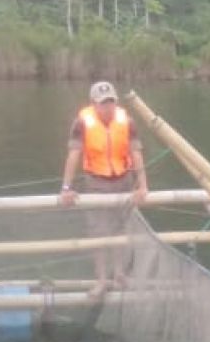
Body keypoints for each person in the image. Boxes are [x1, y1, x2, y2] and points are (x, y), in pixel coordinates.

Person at [59, 81, 149, 297]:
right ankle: (101, 279)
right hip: (96, 181)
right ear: (93, 104)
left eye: (110, 102)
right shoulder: (82, 122)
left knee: (120, 228)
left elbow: (136, 152)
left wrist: (143, 185)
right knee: (99, 231)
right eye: (102, 104)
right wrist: (66, 187)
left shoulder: (126, 121)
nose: (107, 108)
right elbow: (73, 154)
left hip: (123, 179)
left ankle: (119, 274)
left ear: (115, 103)